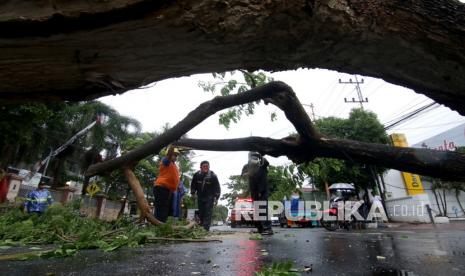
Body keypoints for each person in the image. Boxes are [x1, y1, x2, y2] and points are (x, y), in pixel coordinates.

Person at [242, 152, 273, 235]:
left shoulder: (262, 165)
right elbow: (243, 175)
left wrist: (260, 155)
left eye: (255, 157)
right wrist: (248, 174)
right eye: (251, 157)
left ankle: (267, 228)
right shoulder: (246, 166)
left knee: (263, 208)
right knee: (256, 210)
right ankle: (260, 229)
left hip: (263, 190)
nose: (253, 159)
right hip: (254, 191)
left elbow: (266, 162)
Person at [191, 161, 221, 231]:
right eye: (204, 166)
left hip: (210, 197)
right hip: (200, 196)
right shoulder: (196, 175)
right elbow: (193, 185)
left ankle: (205, 229)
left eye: (207, 166)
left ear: (209, 167)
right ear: (200, 167)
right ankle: (201, 226)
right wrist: (193, 193)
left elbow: (217, 188)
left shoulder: (213, 176)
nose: (205, 168)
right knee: (201, 212)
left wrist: (217, 198)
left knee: (208, 212)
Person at [154, 146, 180, 222]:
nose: (175, 157)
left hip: (168, 190)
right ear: (169, 154)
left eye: (176, 155)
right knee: (161, 209)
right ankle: (157, 226)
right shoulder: (166, 161)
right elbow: (168, 156)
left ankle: (162, 226)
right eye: (173, 155)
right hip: (161, 188)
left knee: (166, 209)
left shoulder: (173, 165)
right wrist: (173, 145)